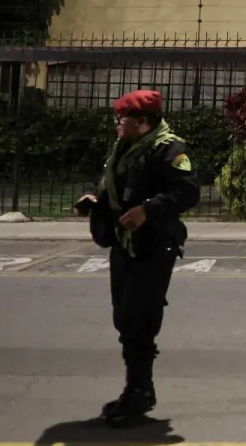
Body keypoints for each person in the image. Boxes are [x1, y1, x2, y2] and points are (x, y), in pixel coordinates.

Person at [74, 90, 199, 426]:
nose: (118, 122)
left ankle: (140, 391)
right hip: (124, 242)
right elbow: (114, 185)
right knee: (123, 317)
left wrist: (148, 211)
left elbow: (188, 192)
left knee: (138, 317)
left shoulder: (170, 149)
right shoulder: (124, 148)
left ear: (143, 122)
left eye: (123, 118)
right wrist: (95, 201)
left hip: (155, 244)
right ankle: (137, 389)